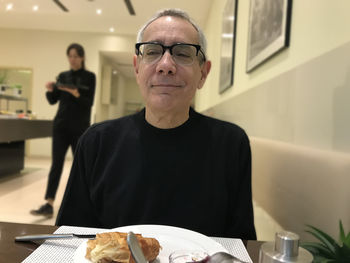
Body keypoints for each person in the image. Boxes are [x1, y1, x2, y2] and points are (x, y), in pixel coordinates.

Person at [56, 9, 256, 240]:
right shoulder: (97, 142)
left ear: (203, 72)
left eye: (182, 53)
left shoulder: (231, 144)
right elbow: (69, 237)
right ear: (137, 67)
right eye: (152, 51)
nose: (166, 65)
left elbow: (240, 243)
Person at [30, 43, 96, 217]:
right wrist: (50, 90)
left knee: (80, 166)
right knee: (56, 164)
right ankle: (49, 203)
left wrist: (75, 94)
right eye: (70, 56)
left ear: (82, 57)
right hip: (60, 126)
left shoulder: (90, 77)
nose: (72, 59)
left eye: (76, 56)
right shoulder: (63, 76)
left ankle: (83, 204)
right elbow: (53, 100)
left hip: (80, 128)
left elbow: (88, 103)